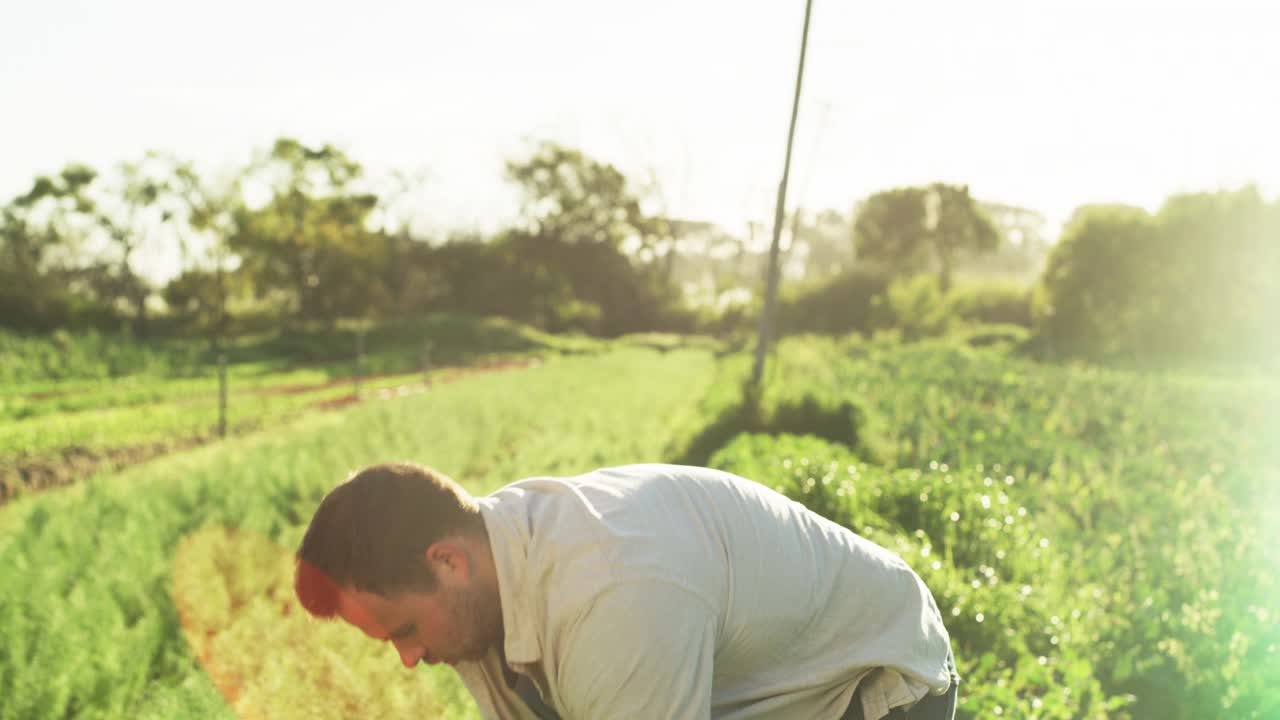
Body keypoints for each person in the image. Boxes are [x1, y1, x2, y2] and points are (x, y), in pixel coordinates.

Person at [295, 462, 959, 719]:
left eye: (404, 632)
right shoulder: (479, 600)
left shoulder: (612, 597)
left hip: (871, 684)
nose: (409, 659)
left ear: (447, 562)